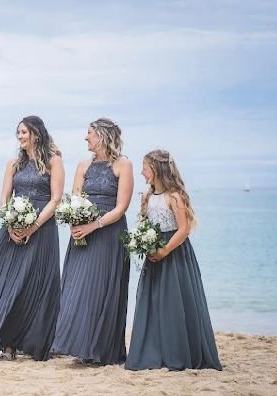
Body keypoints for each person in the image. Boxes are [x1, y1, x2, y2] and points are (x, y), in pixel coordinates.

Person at [0, 115, 64, 361]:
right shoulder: (13, 164)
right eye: (18, 133)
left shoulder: (54, 161)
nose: (20, 137)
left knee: (35, 284)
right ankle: (7, 346)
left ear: (36, 133)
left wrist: (33, 227)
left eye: (23, 132)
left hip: (42, 230)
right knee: (5, 282)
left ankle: (33, 342)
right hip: (11, 231)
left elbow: (55, 199)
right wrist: (11, 223)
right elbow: (4, 197)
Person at [125, 149, 222, 371]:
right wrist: (144, 244)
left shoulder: (175, 196)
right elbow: (147, 224)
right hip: (154, 252)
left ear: (156, 170)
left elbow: (184, 229)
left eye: (145, 167)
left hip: (174, 253)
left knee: (174, 302)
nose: (141, 172)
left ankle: (178, 351)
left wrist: (165, 250)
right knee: (154, 301)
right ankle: (154, 350)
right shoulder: (148, 196)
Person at [52, 117, 132, 365]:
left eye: (89, 133)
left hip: (109, 234)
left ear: (103, 136)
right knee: (78, 289)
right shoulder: (83, 165)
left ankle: (101, 351)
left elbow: (121, 208)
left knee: (104, 289)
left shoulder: (123, 165)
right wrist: (74, 223)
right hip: (81, 235)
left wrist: (93, 225)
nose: (86, 138)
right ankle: (79, 345)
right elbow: (74, 199)